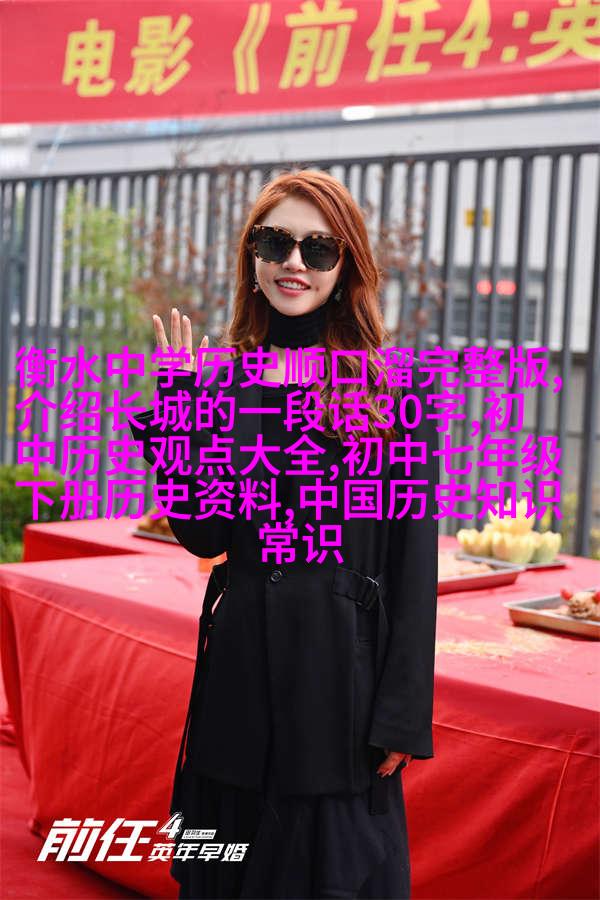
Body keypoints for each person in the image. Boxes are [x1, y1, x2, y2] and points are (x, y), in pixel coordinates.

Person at [130, 169, 439, 898]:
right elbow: (204, 534)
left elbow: (413, 564)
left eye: (317, 247)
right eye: (275, 242)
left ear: (346, 265)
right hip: (238, 678)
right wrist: (178, 412)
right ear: (252, 257)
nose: (293, 262)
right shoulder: (221, 382)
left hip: (338, 689)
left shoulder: (395, 388)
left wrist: (402, 714)